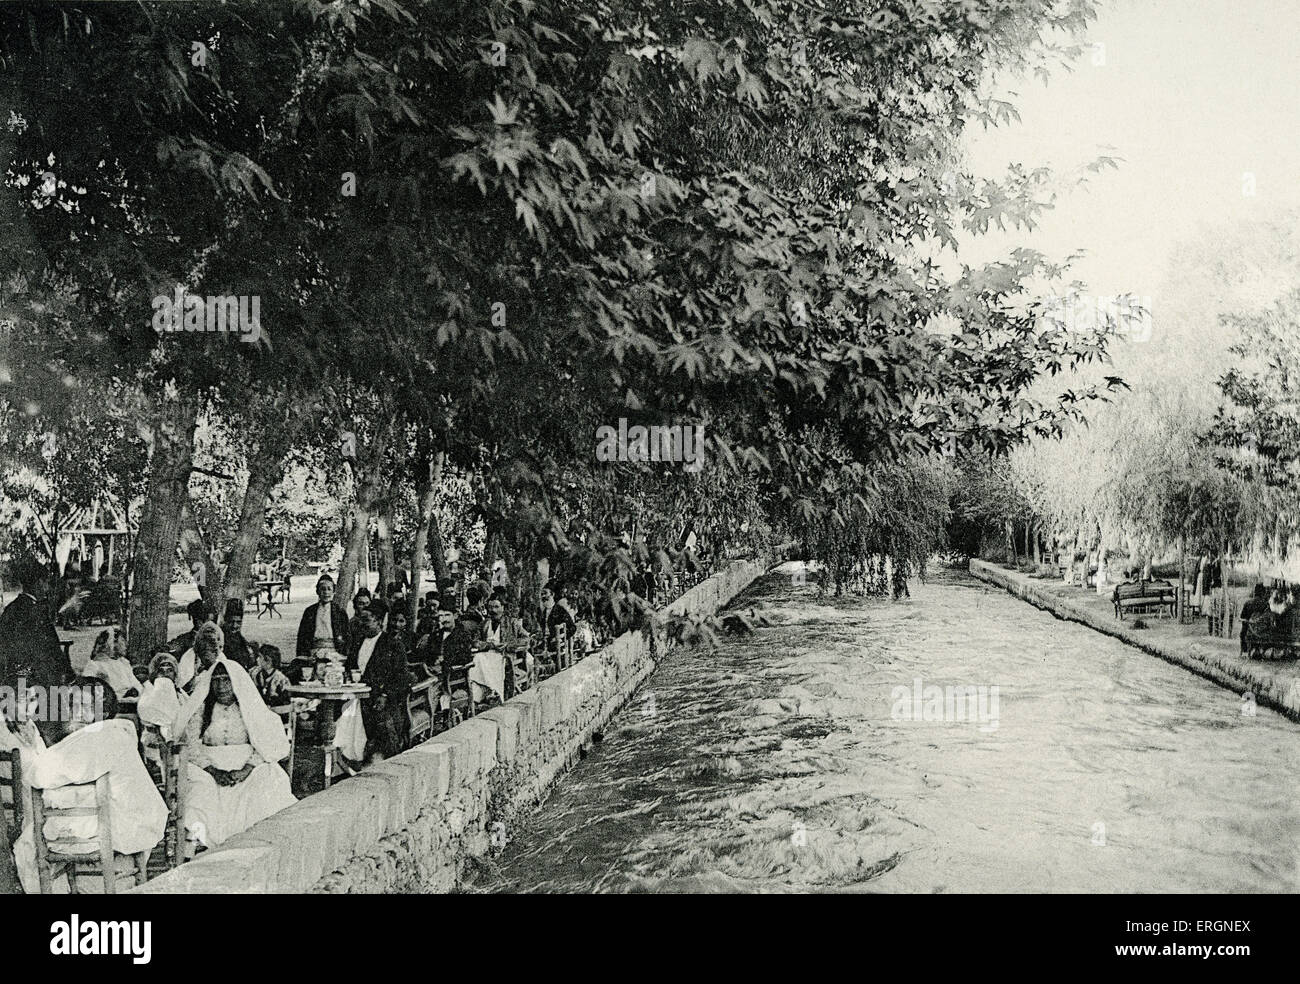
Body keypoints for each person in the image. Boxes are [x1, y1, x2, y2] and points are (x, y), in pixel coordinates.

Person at [12, 677, 167, 893]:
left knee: (29, 840)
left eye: (85, 706)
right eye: (72, 705)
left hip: (120, 830)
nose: (76, 713)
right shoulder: (113, 732)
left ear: (103, 712)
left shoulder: (101, 735)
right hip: (132, 825)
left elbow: (39, 774)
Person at [174, 659, 295, 851]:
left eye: (226, 680)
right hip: (208, 764)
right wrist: (212, 770)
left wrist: (248, 768)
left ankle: (260, 840)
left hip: (246, 763)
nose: (221, 686)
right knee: (201, 787)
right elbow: (192, 745)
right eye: (216, 680)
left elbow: (265, 743)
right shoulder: (202, 710)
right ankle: (198, 840)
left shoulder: (249, 707)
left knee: (270, 776)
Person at [346, 600, 408, 761]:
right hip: (356, 695)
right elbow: (349, 666)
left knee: (382, 724)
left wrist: (385, 695)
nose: (362, 624)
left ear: (379, 622)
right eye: (361, 620)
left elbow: (401, 676)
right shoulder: (357, 641)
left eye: (367, 620)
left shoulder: (392, 644)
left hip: (380, 698)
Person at [0, 556, 69, 695]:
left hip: (11, 677)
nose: (48, 588)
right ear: (38, 583)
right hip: (37, 681)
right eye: (46, 583)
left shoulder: (11, 609)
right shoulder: (37, 611)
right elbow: (52, 647)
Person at [295, 575, 349, 681]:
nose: (326, 592)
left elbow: (347, 636)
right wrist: (304, 656)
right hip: (314, 652)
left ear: (334, 591)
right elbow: (302, 636)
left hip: (334, 652)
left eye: (329, 589)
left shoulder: (340, 612)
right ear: (317, 592)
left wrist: (344, 654)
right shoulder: (310, 611)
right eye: (323, 589)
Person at [83, 627, 141, 700]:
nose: (126, 644)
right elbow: (87, 691)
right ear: (112, 643)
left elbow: (136, 685)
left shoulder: (123, 662)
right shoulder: (95, 665)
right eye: (122, 640)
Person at [538, 581, 577, 656]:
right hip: (542, 644)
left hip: (554, 645)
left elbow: (573, 628)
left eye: (545, 593)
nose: (543, 597)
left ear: (552, 594)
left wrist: (560, 638)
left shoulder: (560, 610)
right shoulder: (540, 612)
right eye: (542, 594)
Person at [221, 598, 258, 671]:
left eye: (238, 622)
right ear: (225, 621)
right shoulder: (221, 638)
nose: (234, 626)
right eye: (231, 622)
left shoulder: (238, 636)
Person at [1240, 584, 1268, 653]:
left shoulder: (1248, 603)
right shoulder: (1265, 604)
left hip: (1249, 630)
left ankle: (1245, 649)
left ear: (1255, 592)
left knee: (1244, 629)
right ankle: (1257, 649)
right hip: (1261, 631)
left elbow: (1242, 617)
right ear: (1263, 593)